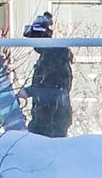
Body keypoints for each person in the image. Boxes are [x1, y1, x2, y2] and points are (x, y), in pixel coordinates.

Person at [23, 11, 74, 139]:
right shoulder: (49, 55)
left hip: (52, 120)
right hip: (49, 118)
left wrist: (28, 92)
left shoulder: (53, 55)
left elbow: (51, 88)